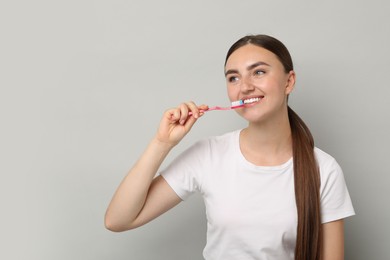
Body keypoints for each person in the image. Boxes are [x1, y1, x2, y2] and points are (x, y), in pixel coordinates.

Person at [105, 34, 355, 260]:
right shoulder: (208, 155)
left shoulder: (324, 169)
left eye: (258, 72)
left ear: (289, 82)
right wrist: (162, 143)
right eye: (233, 77)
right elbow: (117, 220)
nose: (244, 86)